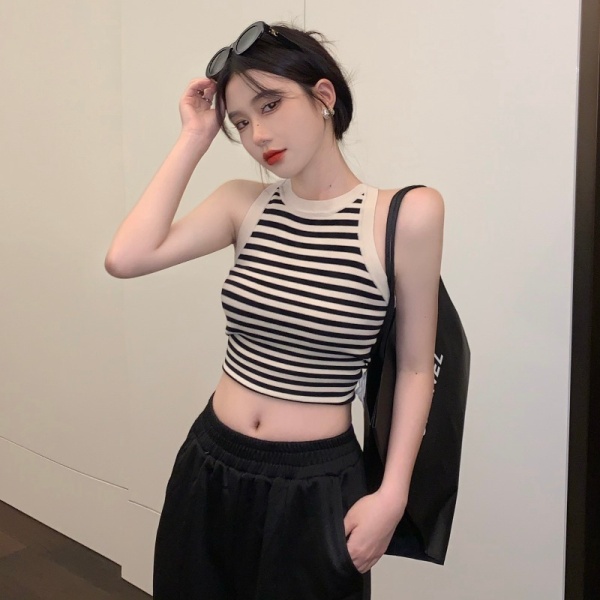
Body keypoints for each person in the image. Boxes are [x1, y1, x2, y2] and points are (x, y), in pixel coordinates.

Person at [105, 20, 444, 600]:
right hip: (211, 462)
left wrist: (392, 495)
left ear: (323, 96)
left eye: (270, 104)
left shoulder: (404, 215)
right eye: (241, 122)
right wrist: (195, 136)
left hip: (316, 485)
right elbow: (126, 258)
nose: (258, 134)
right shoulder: (243, 204)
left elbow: (416, 368)